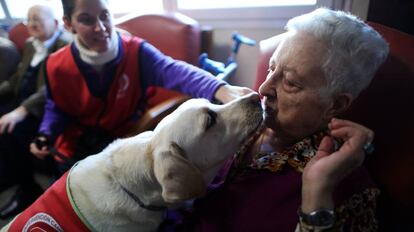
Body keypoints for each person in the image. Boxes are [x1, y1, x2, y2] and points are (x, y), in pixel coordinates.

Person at [163, 8, 389, 232]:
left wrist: (316, 195)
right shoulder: (245, 121)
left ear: (336, 104)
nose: (264, 88)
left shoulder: (345, 188)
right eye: (272, 68)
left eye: (290, 82)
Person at [30, 0, 250, 176]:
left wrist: (220, 89)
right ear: (68, 24)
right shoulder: (55, 65)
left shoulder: (136, 51)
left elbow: (176, 70)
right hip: (74, 149)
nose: (101, 27)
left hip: (124, 143)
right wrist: (46, 133)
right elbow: (56, 107)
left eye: (104, 16)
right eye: (86, 20)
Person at [0, 4, 71, 219]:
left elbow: (50, 88)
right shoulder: (31, 45)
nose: (32, 24)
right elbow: (16, 80)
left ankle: (28, 188)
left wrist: (21, 110)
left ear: (56, 23)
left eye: (38, 19)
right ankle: (7, 174)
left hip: (45, 109)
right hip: (21, 100)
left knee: (11, 130)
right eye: (29, 19)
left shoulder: (65, 45)